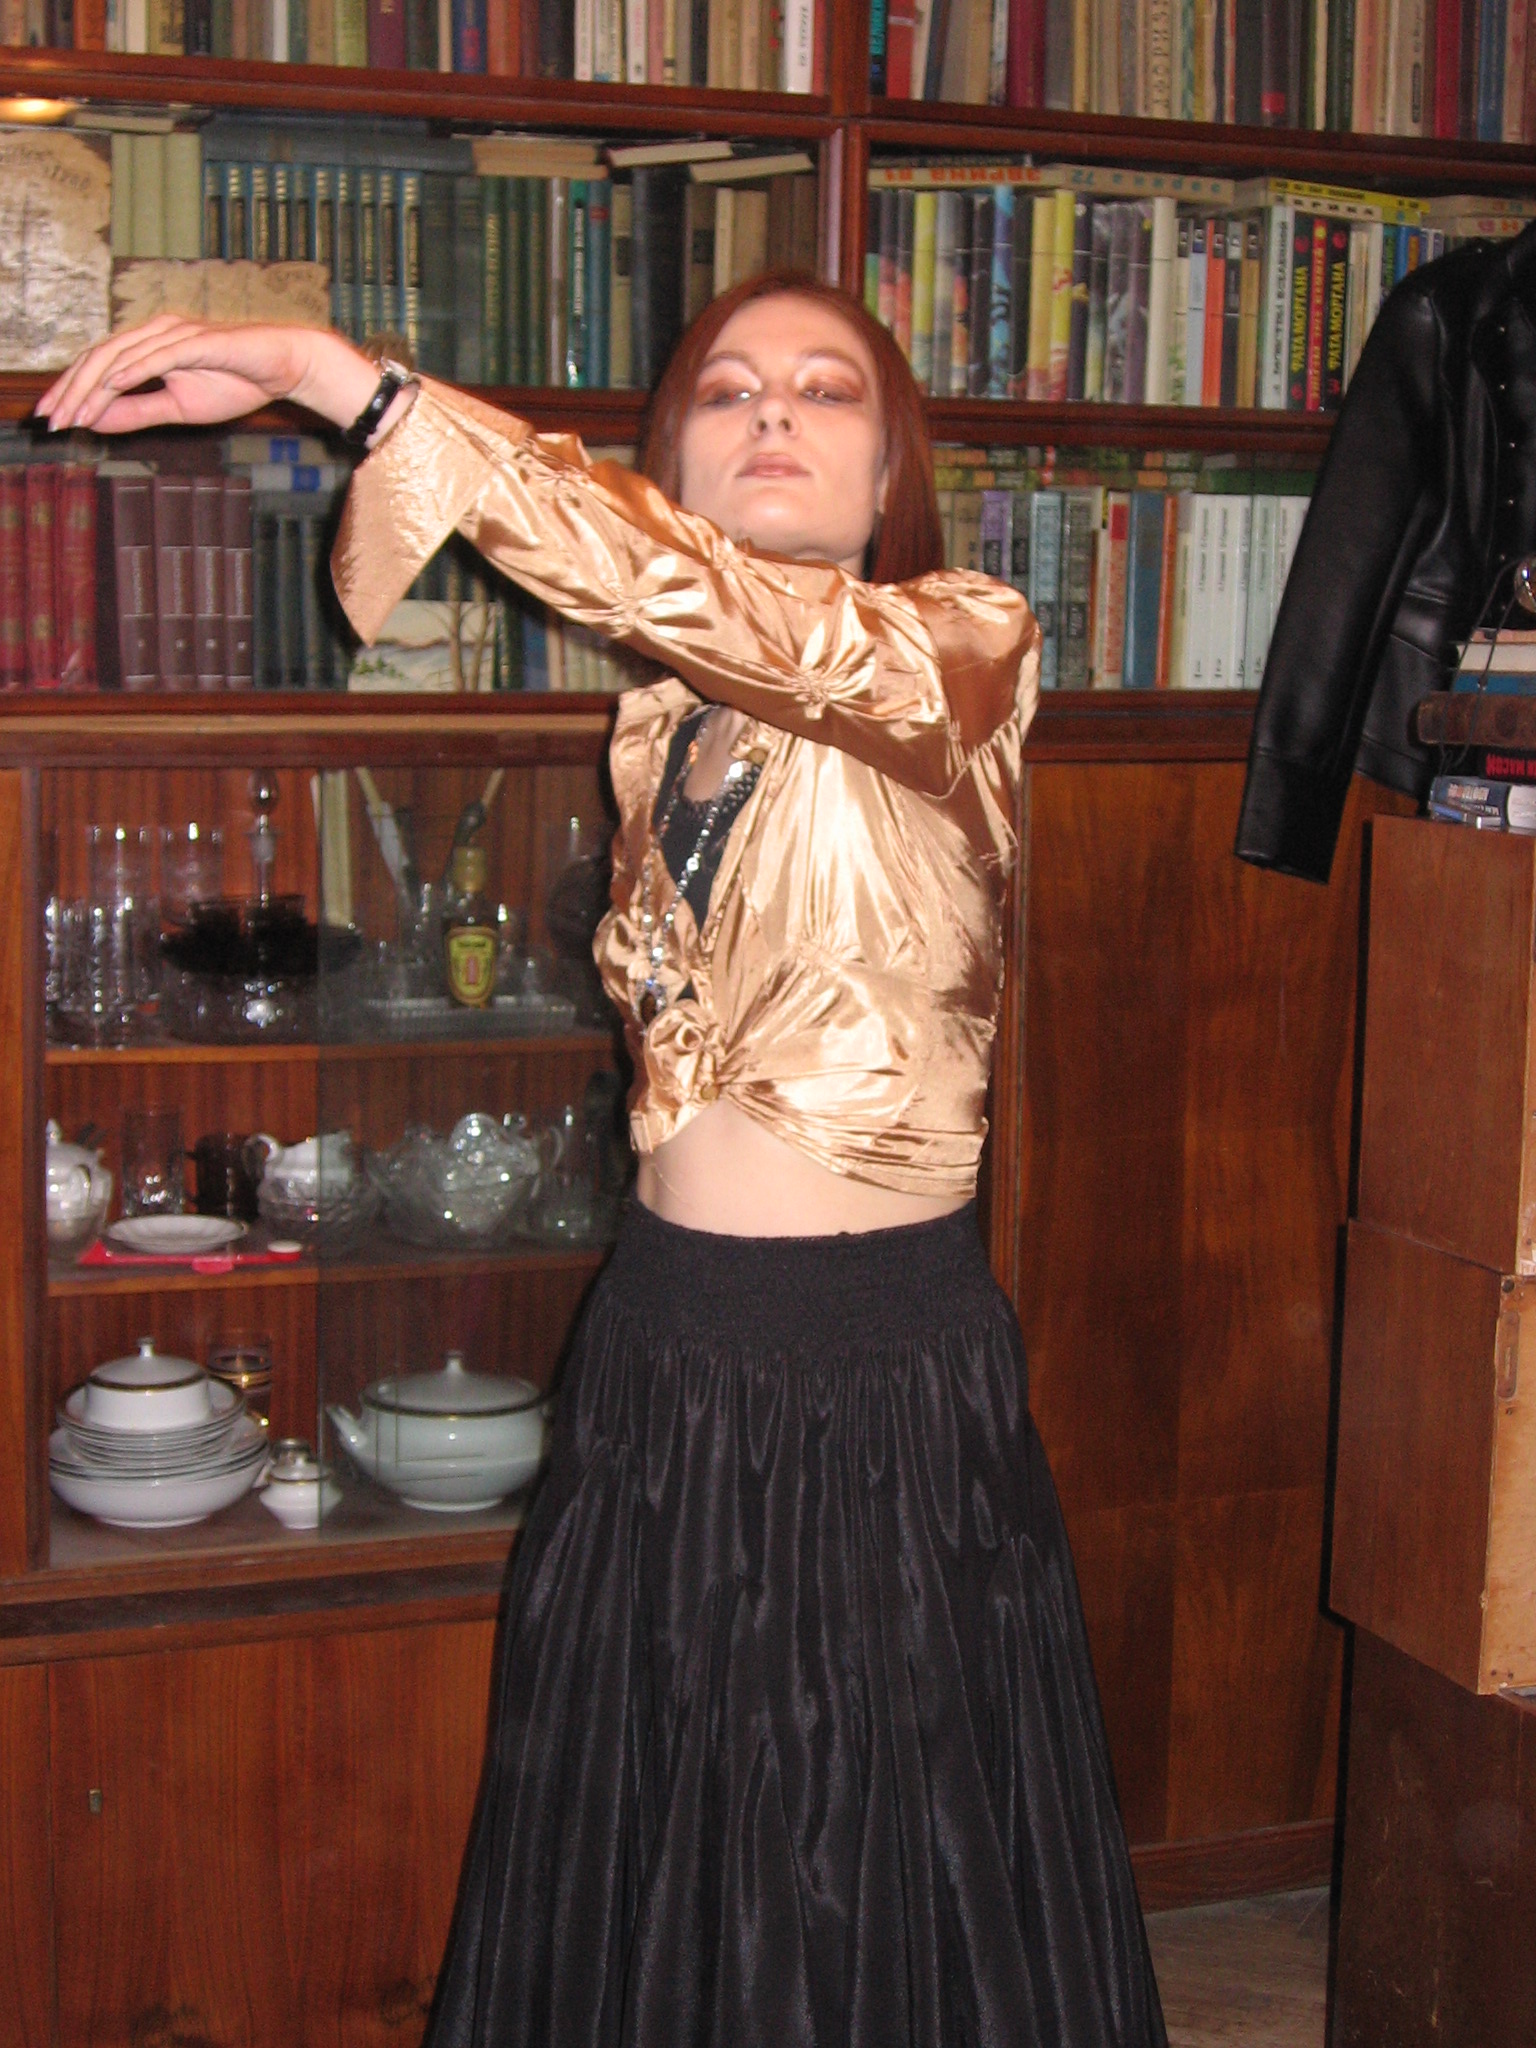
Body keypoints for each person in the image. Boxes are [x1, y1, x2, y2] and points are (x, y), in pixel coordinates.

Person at [42, 281, 1167, 2047]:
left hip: (864, 1386)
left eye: (826, 391)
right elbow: (681, 627)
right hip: (654, 1350)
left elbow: (691, 594)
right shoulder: (658, 730)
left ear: (890, 476)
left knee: (855, 1887)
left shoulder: (960, 650)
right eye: (727, 393)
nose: (772, 413)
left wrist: (340, 382)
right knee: (643, 1869)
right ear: (676, 466)